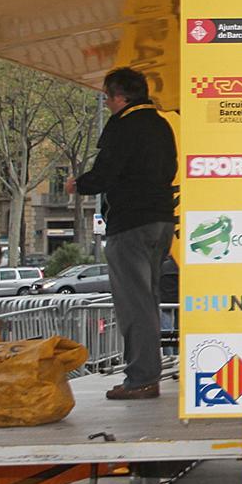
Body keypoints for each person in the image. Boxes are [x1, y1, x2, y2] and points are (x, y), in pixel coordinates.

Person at [67, 67, 177, 401]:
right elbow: (170, 169)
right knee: (150, 297)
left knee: (134, 303)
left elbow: (106, 172)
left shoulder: (124, 126)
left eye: (107, 98)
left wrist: (80, 184)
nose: (107, 104)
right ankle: (148, 372)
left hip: (130, 222)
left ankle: (141, 378)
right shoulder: (161, 124)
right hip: (161, 220)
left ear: (119, 97)